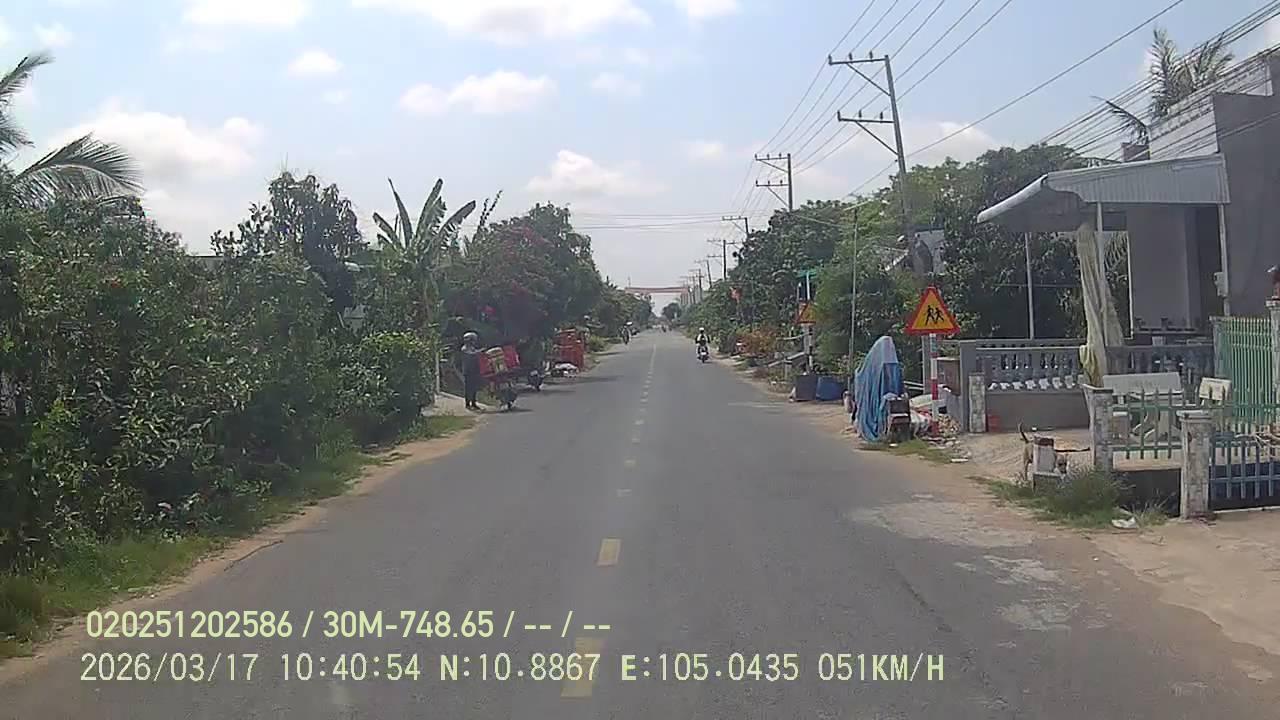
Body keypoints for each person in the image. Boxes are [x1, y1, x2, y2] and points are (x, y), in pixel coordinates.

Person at [461, 332, 482, 411]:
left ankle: (473, 403)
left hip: (474, 370)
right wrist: (479, 352)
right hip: (468, 371)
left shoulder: (471, 348)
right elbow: (471, 354)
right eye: (472, 340)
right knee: (468, 388)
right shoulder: (464, 348)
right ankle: (467, 404)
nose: (474, 342)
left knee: (474, 388)